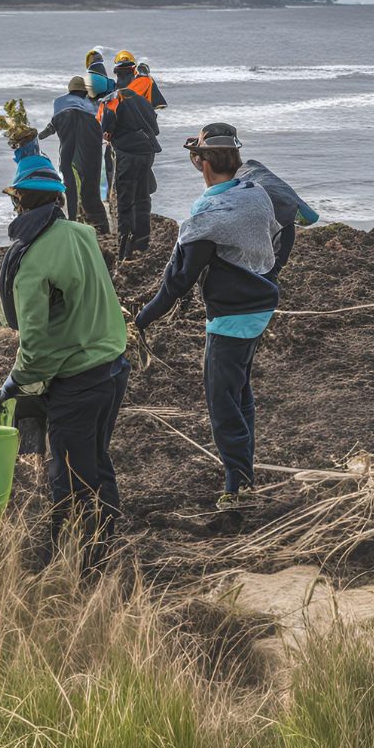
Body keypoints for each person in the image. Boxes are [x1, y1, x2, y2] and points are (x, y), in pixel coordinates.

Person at [0, 148, 129, 571]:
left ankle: (77, 562)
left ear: (20, 201)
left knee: (69, 478)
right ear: (58, 199)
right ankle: (105, 543)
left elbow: (37, 347)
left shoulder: (30, 262)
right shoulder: (81, 233)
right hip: (113, 367)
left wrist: (8, 388)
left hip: (77, 381)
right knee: (98, 460)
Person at [134, 124, 279, 509]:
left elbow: (179, 281)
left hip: (230, 319)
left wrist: (143, 319)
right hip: (261, 307)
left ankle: (237, 489)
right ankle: (244, 470)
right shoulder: (255, 193)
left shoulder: (210, 216)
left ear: (202, 163)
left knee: (223, 404)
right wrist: (267, 274)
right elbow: (283, 229)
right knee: (239, 391)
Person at [95, 80, 161, 259]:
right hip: (148, 151)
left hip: (128, 153)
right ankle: (143, 240)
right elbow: (155, 129)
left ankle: (124, 246)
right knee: (142, 194)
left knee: (125, 198)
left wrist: (111, 135)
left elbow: (106, 132)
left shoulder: (112, 101)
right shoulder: (142, 101)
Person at [232, 144, 319, 280]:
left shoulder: (238, 183)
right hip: (282, 214)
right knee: (269, 273)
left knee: (266, 274)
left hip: (276, 219)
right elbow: (310, 218)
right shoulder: (253, 168)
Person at [38, 76, 109, 233]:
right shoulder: (93, 105)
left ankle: (72, 222)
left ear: (70, 90)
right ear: (84, 92)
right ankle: (100, 226)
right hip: (91, 147)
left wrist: (34, 138)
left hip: (68, 152)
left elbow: (48, 129)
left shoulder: (59, 103)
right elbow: (104, 127)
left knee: (70, 186)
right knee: (91, 187)